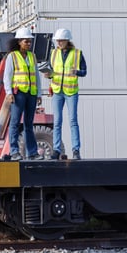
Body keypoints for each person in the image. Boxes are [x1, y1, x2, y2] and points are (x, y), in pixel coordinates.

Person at [46, 28, 87, 160]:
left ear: (67, 40)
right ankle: (56, 150)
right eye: (57, 40)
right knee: (57, 122)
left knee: (73, 121)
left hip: (71, 92)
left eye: (61, 40)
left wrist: (77, 72)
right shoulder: (53, 53)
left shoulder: (77, 53)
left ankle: (76, 150)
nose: (58, 42)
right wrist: (48, 75)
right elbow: (52, 71)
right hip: (57, 91)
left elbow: (84, 71)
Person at [3, 27, 43, 161]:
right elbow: (7, 77)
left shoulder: (32, 56)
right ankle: (14, 151)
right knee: (14, 122)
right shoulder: (12, 56)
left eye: (30, 41)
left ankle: (32, 152)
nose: (28, 44)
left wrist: (39, 94)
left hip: (31, 94)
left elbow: (36, 76)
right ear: (19, 41)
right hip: (18, 93)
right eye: (26, 41)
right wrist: (9, 93)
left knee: (29, 124)